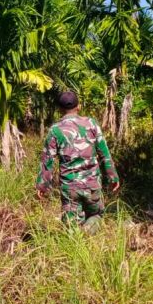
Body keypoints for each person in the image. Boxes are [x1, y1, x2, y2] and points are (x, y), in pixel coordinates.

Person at [35, 91, 120, 232]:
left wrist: (42, 186)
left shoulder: (55, 130)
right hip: (92, 185)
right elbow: (105, 154)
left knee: (71, 227)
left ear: (60, 109)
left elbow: (47, 161)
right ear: (78, 106)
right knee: (96, 215)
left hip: (70, 188)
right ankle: (88, 232)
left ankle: (77, 240)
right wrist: (113, 177)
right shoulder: (91, 124)